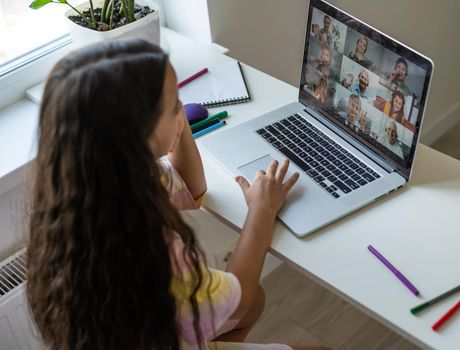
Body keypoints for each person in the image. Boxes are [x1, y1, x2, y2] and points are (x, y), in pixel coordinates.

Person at [26, 39, 331, 350]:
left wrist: (175, 122)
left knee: (256, 302)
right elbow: (237, 299)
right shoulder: (150, 250)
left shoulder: (87, 188)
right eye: (174, 106)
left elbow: (191, 187)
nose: (182, 108)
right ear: (135, 133)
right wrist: (261, 213)